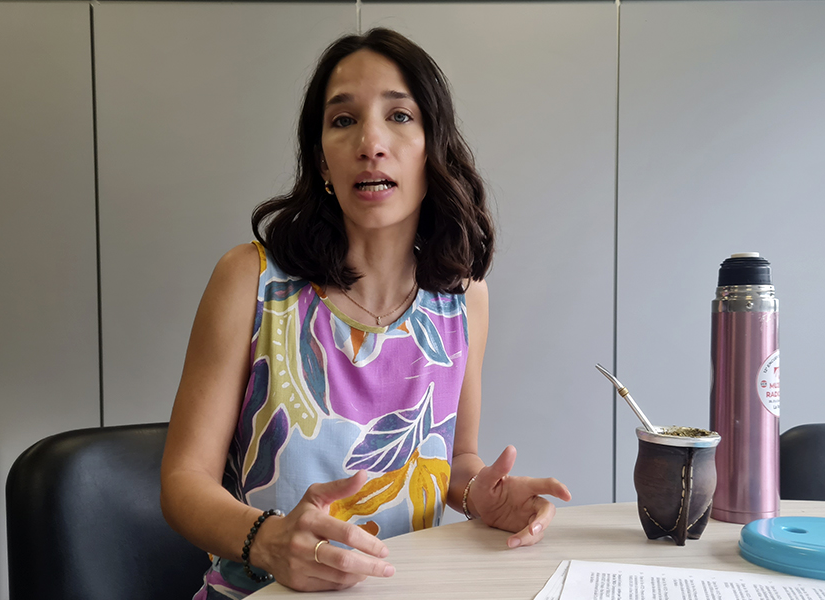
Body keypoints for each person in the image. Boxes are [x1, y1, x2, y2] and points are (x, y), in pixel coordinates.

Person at [160, 28, 572, 600]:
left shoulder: (463, 298)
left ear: (433, 147)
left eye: (399, 116)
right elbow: (183, 483)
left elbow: (455, 459)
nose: (370, 142)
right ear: (322, 162)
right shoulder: (249, 280)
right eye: (343, 120)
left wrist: (482, 493)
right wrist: (269, 540)